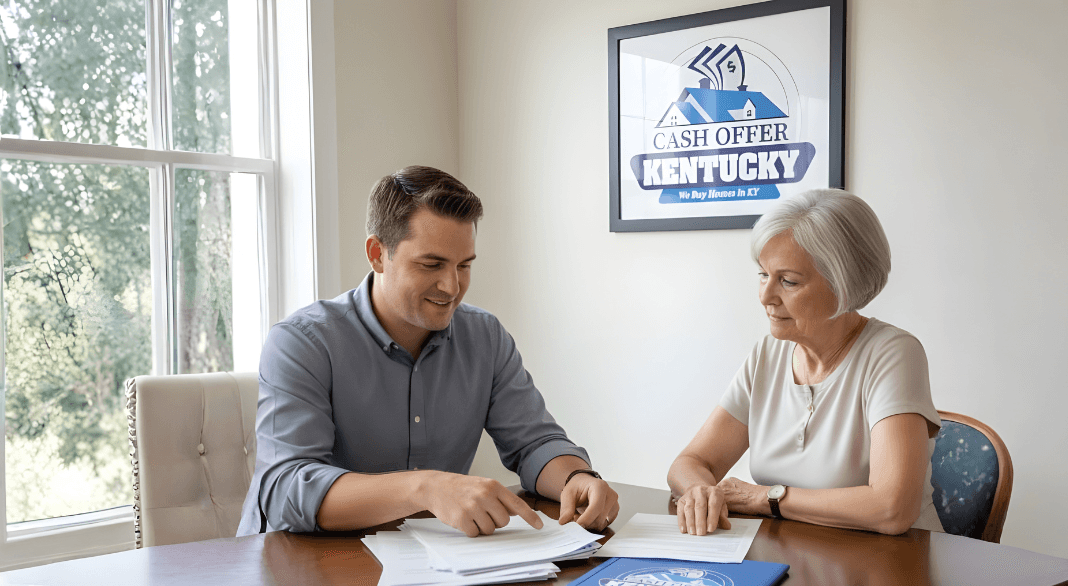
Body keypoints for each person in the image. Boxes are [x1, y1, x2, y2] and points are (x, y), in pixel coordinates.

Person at [238, 166, 619, 537]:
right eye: (431, 264)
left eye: (464, 265)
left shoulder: (485, 336)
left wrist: (577, 477)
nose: (452, 286)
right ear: (376, 254)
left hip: (429, 564)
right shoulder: (302, 342)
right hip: (295, 565)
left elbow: (535, 443)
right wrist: (426, 488)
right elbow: (285, 489)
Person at [667, 189, 942, 536]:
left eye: (788, 281)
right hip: (799, 559)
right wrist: (699, 492)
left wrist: (764, 498)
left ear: (843, 285)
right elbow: (690, 463)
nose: (766, 296)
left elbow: (892, 509)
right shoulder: (767, 355)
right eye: (763, 275)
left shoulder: (894, 354)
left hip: (893, 569)